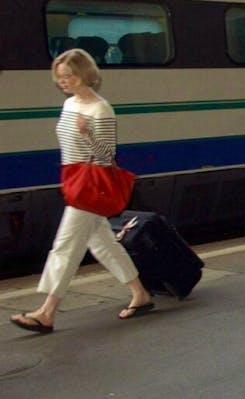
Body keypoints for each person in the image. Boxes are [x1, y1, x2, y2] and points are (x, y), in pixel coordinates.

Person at [10, 49, 154, 334]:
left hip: (90, 186)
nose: (63, 81)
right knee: (101, 242)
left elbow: (107, 156)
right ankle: (140, 294)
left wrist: (87, 133)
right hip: (74, 178)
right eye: (60, 76)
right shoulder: (70, 105)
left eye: (69, 75)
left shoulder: (101, 109)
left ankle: (47, 312)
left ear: (84, 74)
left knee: (65, 246)